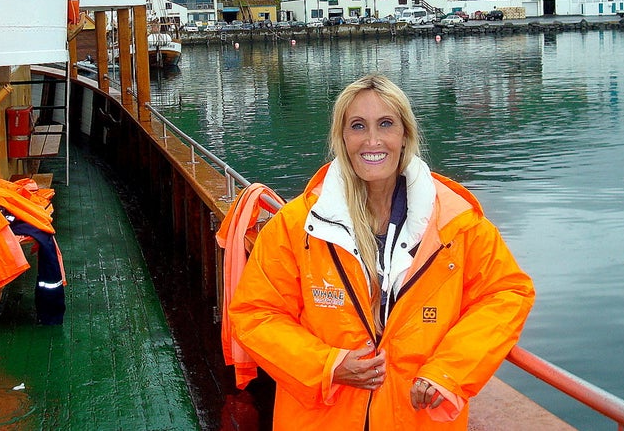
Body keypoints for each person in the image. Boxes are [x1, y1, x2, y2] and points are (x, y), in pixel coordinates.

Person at [229, 74, 535, 429]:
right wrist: (328, 365)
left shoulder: (456, 224)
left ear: (404, 135)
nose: (372, 140)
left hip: (416, 417)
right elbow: (255, 313)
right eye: (358, 126)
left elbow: (507, 294)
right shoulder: (298, 225)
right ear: (342, 138)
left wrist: (450, 371)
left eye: (386, 124)